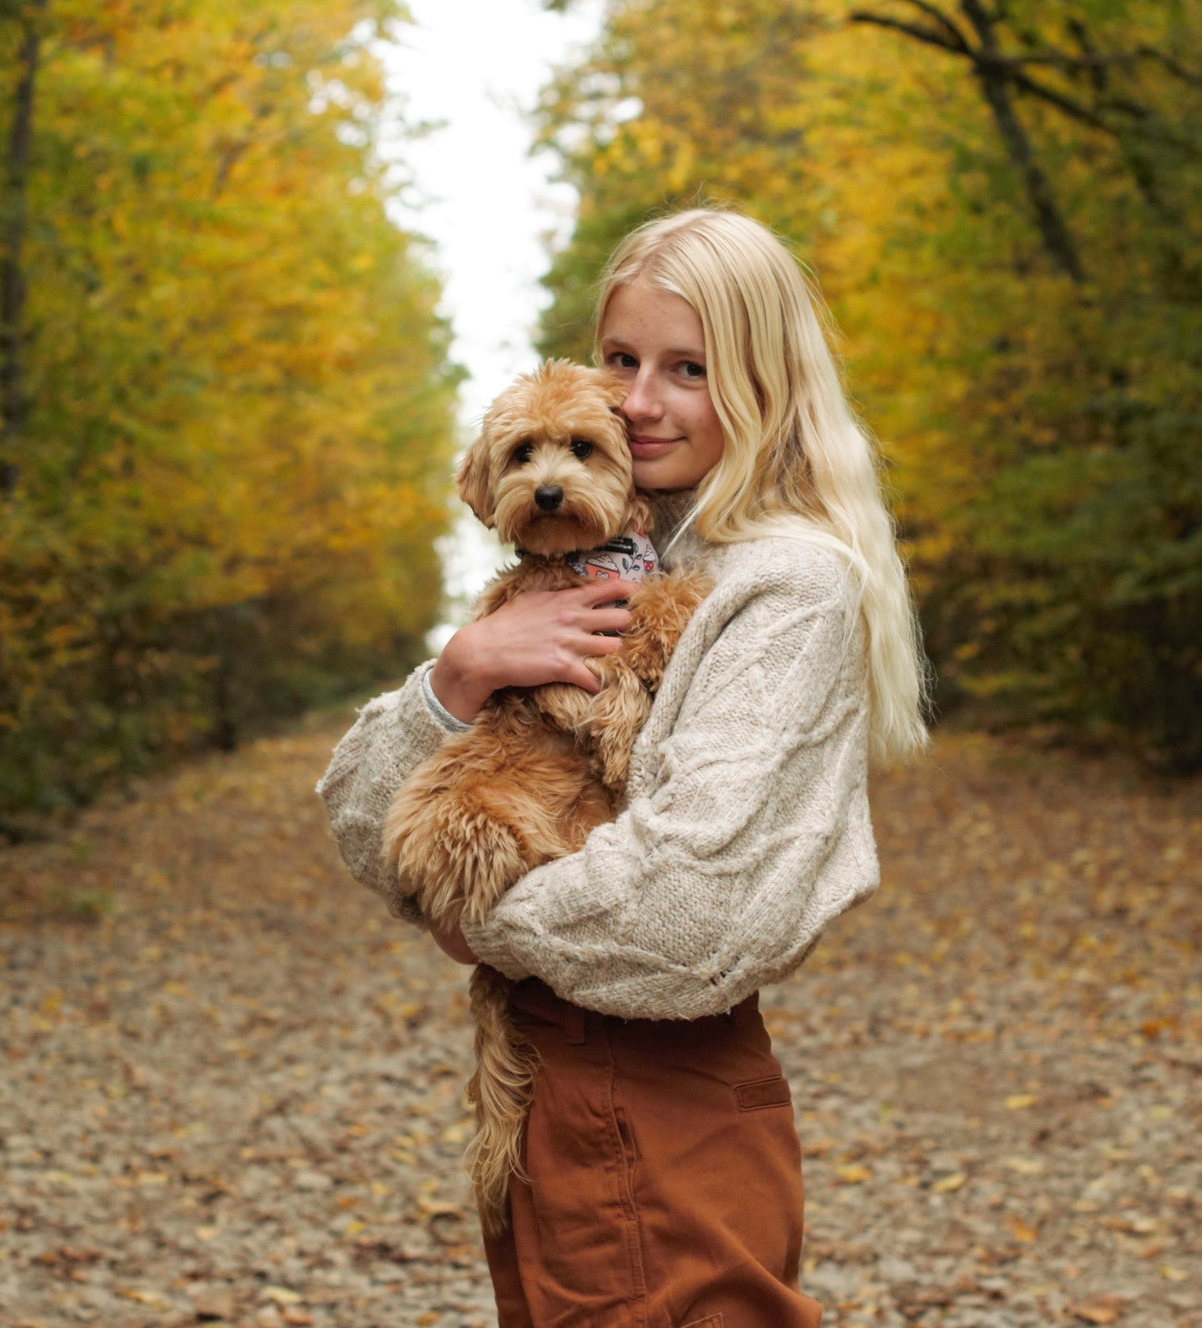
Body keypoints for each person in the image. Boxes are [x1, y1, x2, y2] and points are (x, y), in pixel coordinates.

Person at [315, 207, 928, 1328]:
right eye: (620, 359)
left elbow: (685, 914)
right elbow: (363, 825)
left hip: (656, 1082)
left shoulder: (782, 584)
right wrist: (455, 678)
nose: (640, 400)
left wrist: (476, 921)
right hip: (552, 1070)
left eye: (686, 368)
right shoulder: (614, 556)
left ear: (762, 380)